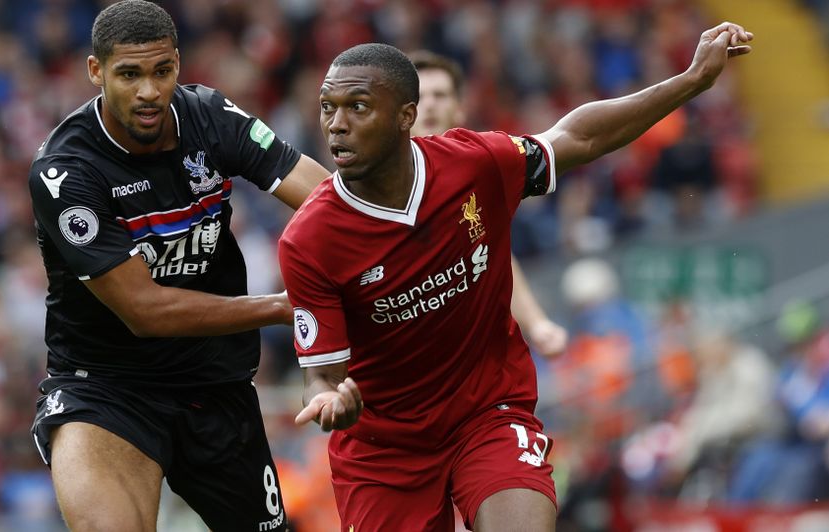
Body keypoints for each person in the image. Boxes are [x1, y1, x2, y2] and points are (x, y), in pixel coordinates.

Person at [278, 22, 752, 531]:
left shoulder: (473, 164)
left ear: (405, 117)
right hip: (383, 450)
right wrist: (329, 401)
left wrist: (690, 81)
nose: (336, 125)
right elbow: (320, 377)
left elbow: (579, 136)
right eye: (328, 107)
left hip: (488, 415)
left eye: (358, 107)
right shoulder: (309, 240)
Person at [26, 1, 327, 531]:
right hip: (105, 389)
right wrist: (284, 307)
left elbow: (325, 204)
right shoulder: (66, 171)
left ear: (178, 65)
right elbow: (145, 311)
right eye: (129, 74)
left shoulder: (210, 117)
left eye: (161, 71)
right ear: (96, 71)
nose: (148, 92)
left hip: (216, 383)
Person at [409, 50, 568, 357]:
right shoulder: (379, 180)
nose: (429, 104)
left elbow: (495, 251)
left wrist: (537, 325)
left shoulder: (482, 167)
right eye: (419, 96)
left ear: (459, 108)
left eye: (440, 95)